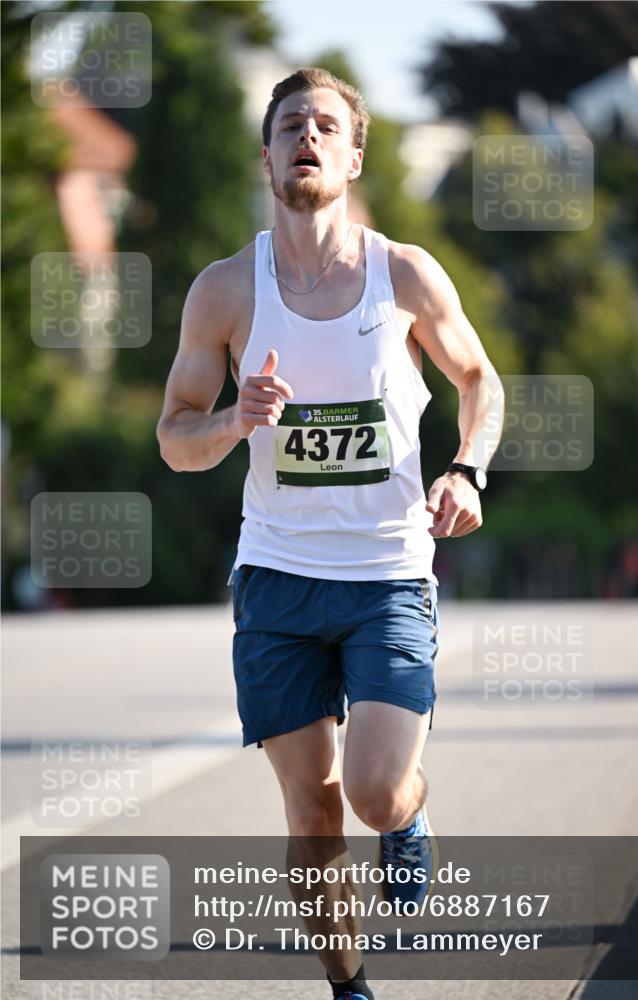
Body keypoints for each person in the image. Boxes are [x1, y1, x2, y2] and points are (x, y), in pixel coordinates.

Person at [157, 67, 503, 1000]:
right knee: (310, 818)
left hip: (388, 572)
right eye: (288, 126)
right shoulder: (225, 290)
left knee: (375, 790)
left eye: (325, 126)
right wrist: (232, 421)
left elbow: (480, 381)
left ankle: (408, 818)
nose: (305, 138)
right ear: (266, 154)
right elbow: (174, 442)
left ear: (352, 155)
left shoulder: (404, 274)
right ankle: (349, 989)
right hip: (275, 580)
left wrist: (467, 467)